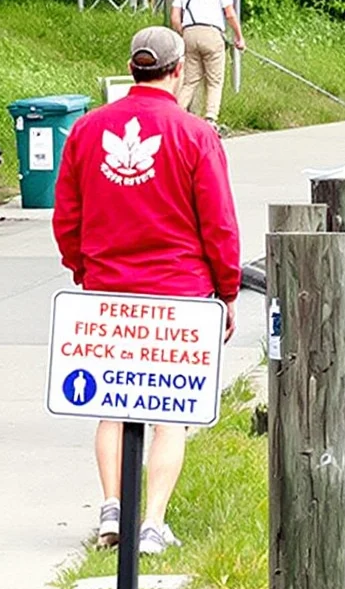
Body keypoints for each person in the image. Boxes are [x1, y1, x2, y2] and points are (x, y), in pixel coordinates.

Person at [52, 27, 241, 552]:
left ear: (133, 68)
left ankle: (112, 508)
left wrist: (82, 269)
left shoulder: (87, 131)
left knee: (112, 405)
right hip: (180, 293)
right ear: (178, 71)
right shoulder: (195, 134)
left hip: (109, 289)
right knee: (171, 413)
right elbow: (218, 223)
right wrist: (226, 291)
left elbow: (67, 216)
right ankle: (152, 522)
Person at [170, 0, 243, 125]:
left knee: (189, 80)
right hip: (212, 34)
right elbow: (230, 14)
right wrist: (239, 37)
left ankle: (175, 116)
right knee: (214, 80)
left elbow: (174, 17)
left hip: (189, 33)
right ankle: (210, 118)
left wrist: (183, 33)